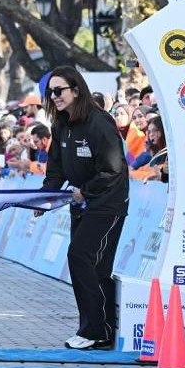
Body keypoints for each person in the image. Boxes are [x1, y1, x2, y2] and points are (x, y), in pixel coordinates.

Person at [39, 65, 128, 350]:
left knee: (81, 256)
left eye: (59, 90)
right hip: (81, 204)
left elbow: (112, 170)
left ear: (76, 90)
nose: (54, 97)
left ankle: (95, 330)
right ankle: (97, 330)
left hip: (106, 204)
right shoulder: (61, 125)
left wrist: (85, 192)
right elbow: (55, 171)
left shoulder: (99, 123)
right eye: (50, 92)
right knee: (94, 266)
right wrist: (43, 198)